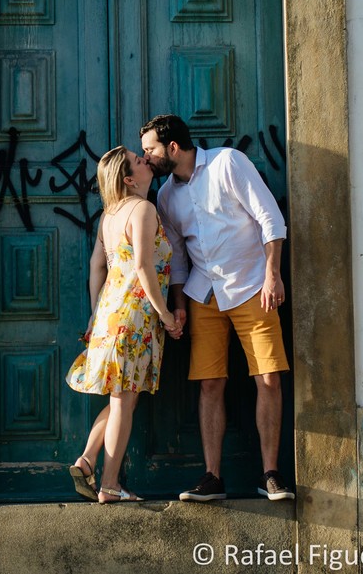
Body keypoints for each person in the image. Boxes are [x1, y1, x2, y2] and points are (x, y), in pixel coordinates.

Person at [141, 114, 295, 502]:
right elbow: (178, 257)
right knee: (210, 383)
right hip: (203, 295)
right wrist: (179, 304)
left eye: (150, 150)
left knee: (268, 378)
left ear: (172, 147)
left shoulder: (228, 163)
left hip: (253, 286)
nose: (146, 158)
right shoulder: (165, 196)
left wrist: (273, 275)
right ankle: (212, 477)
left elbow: (269, 218)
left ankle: (271, 474)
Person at [65, 146, 183, 503]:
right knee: (122, 401)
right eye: (138, 160)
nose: (145, 159)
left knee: (123, 400)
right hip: (134, 316)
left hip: (109, 313)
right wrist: (166, 315)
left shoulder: (110, 214)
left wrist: (95, 311)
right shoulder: (143, 210)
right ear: (129, 179)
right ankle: (110, 485)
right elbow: (144, 267)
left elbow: (96, 266)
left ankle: (87, 460)